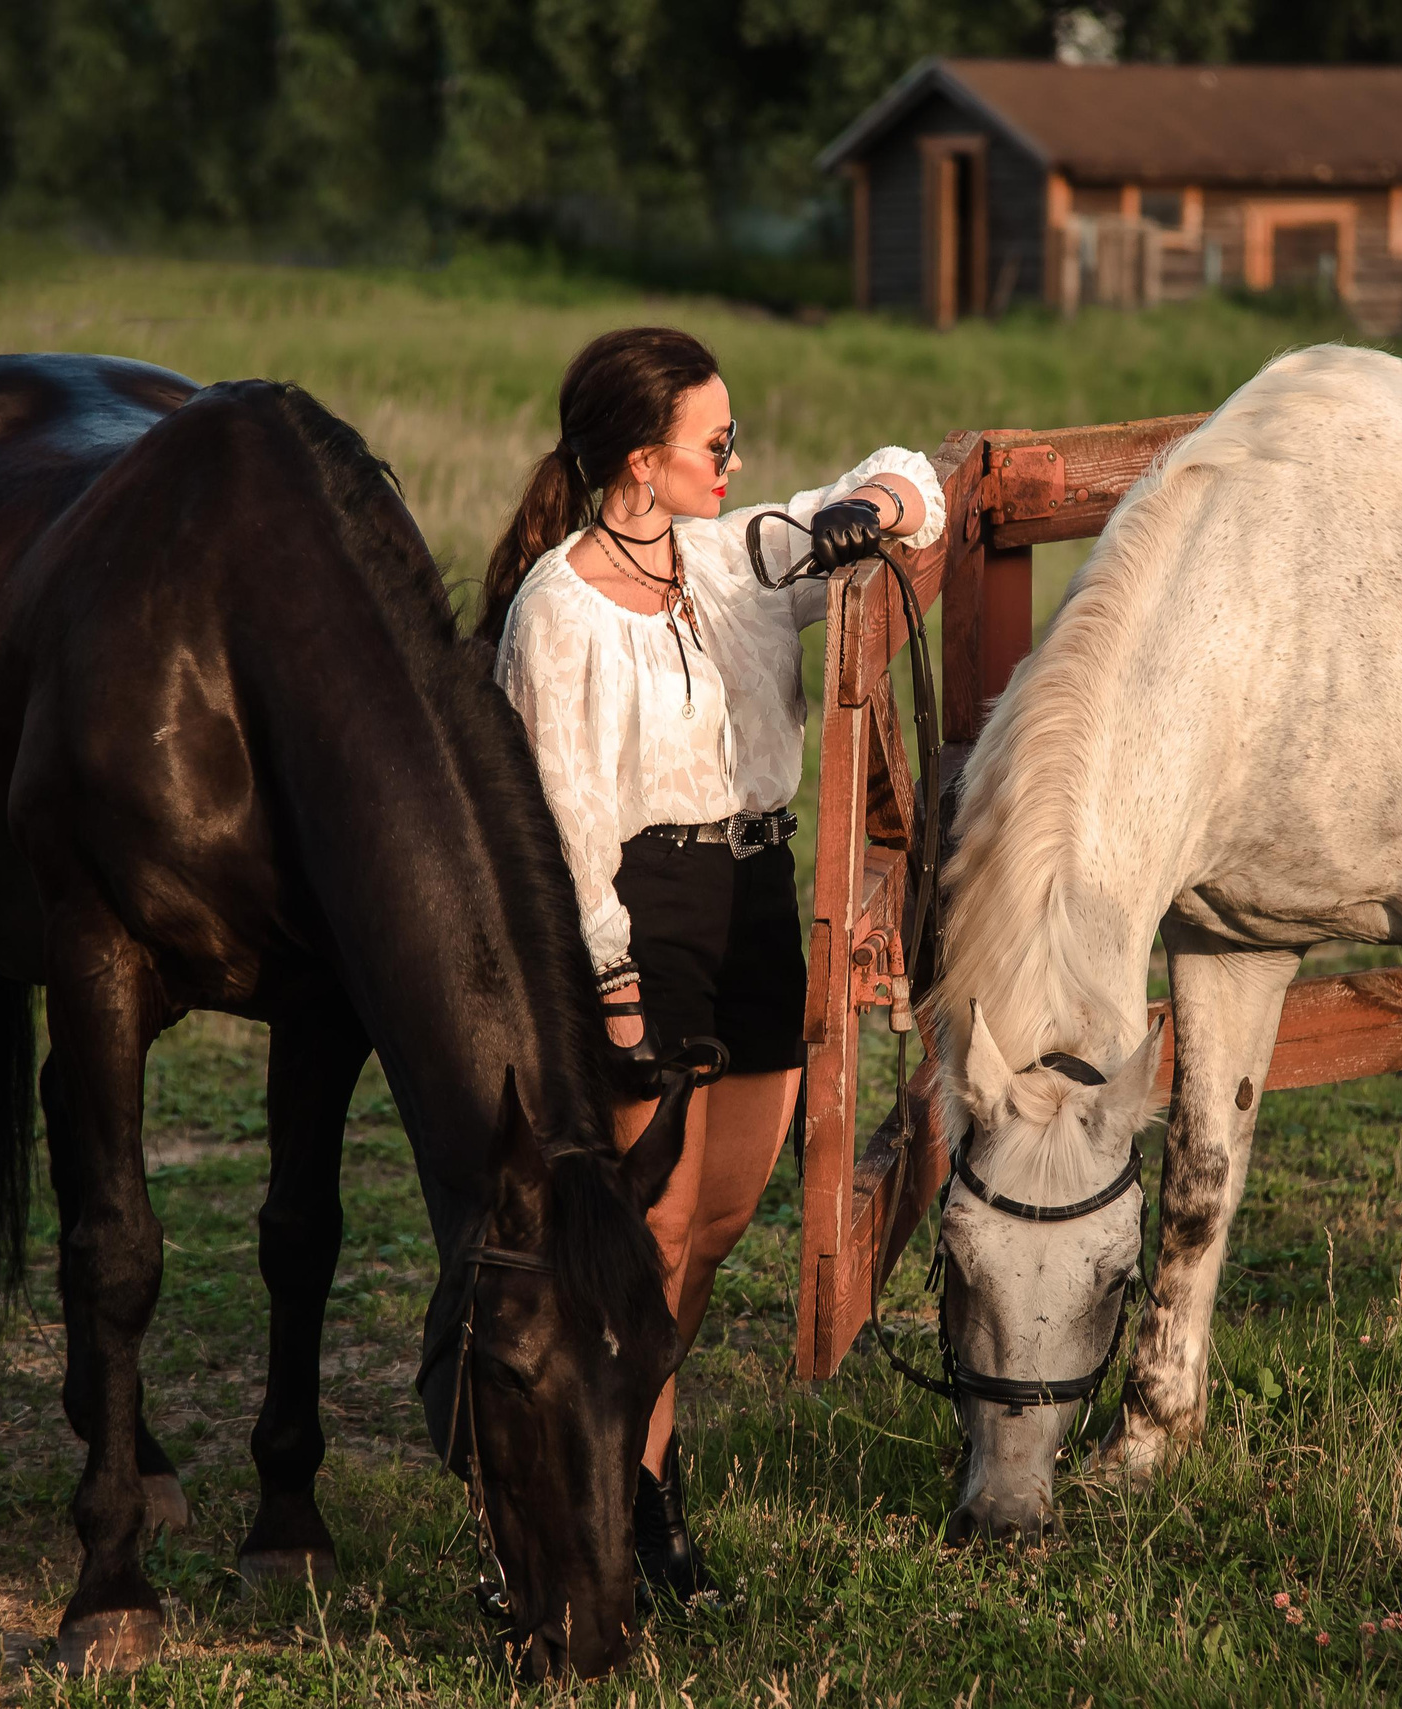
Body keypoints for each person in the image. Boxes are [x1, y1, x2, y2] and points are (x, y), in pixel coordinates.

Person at [480, 326, 940, 1603]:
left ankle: (623, 1447)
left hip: (755, 895)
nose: (735, 460)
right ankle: (640, 1503)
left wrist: (870, 506)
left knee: (724, 1214)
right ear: (644, 458)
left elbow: (916, 477)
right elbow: (564, 819)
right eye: (715, 442)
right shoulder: (555, 612)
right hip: (642, 910)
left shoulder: (738, 558)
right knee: (656, 1225)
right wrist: (615, 978)